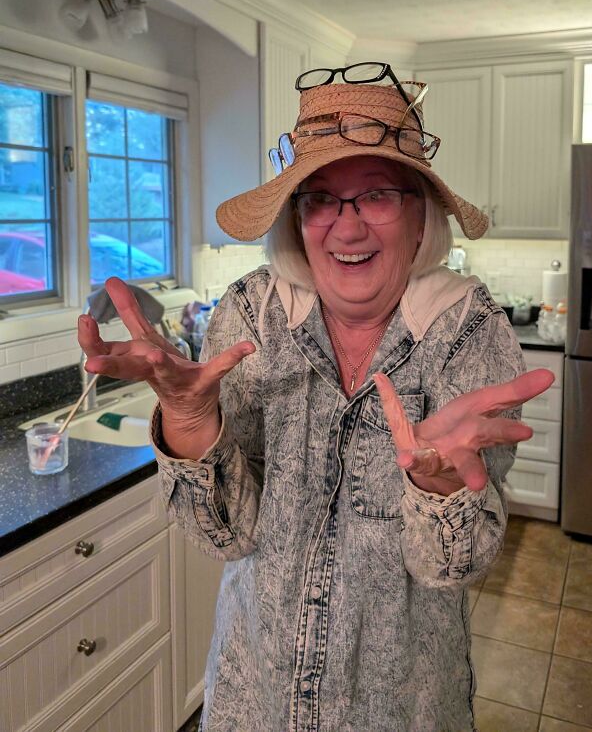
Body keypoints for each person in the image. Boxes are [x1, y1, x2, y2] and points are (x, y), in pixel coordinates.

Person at [78, 62, 554, 732]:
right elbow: (224, 535)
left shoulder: (467, 327)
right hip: (254, 698)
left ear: (422, 215)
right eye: (321, 199)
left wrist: (444, 489)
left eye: (377, 195)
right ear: (296, 221)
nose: (347, 227)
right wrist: (188, 421)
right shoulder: (252, 313)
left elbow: (451, 569)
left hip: (403, 708)